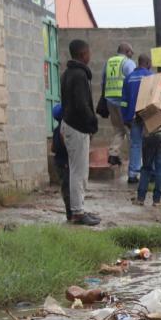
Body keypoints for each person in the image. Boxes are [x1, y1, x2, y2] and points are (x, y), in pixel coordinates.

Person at [60, 39, 100, 226]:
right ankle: (77, 212)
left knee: (76, 170)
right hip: (77, 127)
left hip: (69, 125)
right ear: (83, 53)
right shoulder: (79, 75)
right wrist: (92, 122)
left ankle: (78, 208)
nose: (90, 55)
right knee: (79, 172)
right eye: (89, 52)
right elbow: (81, 104)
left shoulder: (67, 73)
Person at [121, 54, 154, 184]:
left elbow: (124, 101)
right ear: (147, 63)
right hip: (149, 116)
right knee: (151, 145)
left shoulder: (128, 78)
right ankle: (150, 174)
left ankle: (133, 174)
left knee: (135, 145)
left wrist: (125, 117)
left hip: (133, 117)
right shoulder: (151, 76)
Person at [101, 43, 135, 166]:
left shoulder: (108, 62)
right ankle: (135, 161)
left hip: (110, 100)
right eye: (131, 51)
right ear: (126, 51)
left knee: (118, 130)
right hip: (123, 102)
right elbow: (133, 81)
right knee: (131, 131)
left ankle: (113, 154)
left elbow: (103, 81)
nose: (133, 54)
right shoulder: (128, 63)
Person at [133, 101, 161, 207]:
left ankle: (140, 199)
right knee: (160, 168)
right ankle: (157, 200)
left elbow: (138, 121)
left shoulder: (142, 102)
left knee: (146, 168)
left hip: (148, 136)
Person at [50, 103, 70, 221]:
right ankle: (70, 212)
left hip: (58, 162)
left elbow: (52, 148)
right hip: (65, 163)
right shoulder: (64, 131)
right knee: (68, 188)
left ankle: (70, 211)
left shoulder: (56, 130)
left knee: (65, 187)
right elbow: (66, 146)